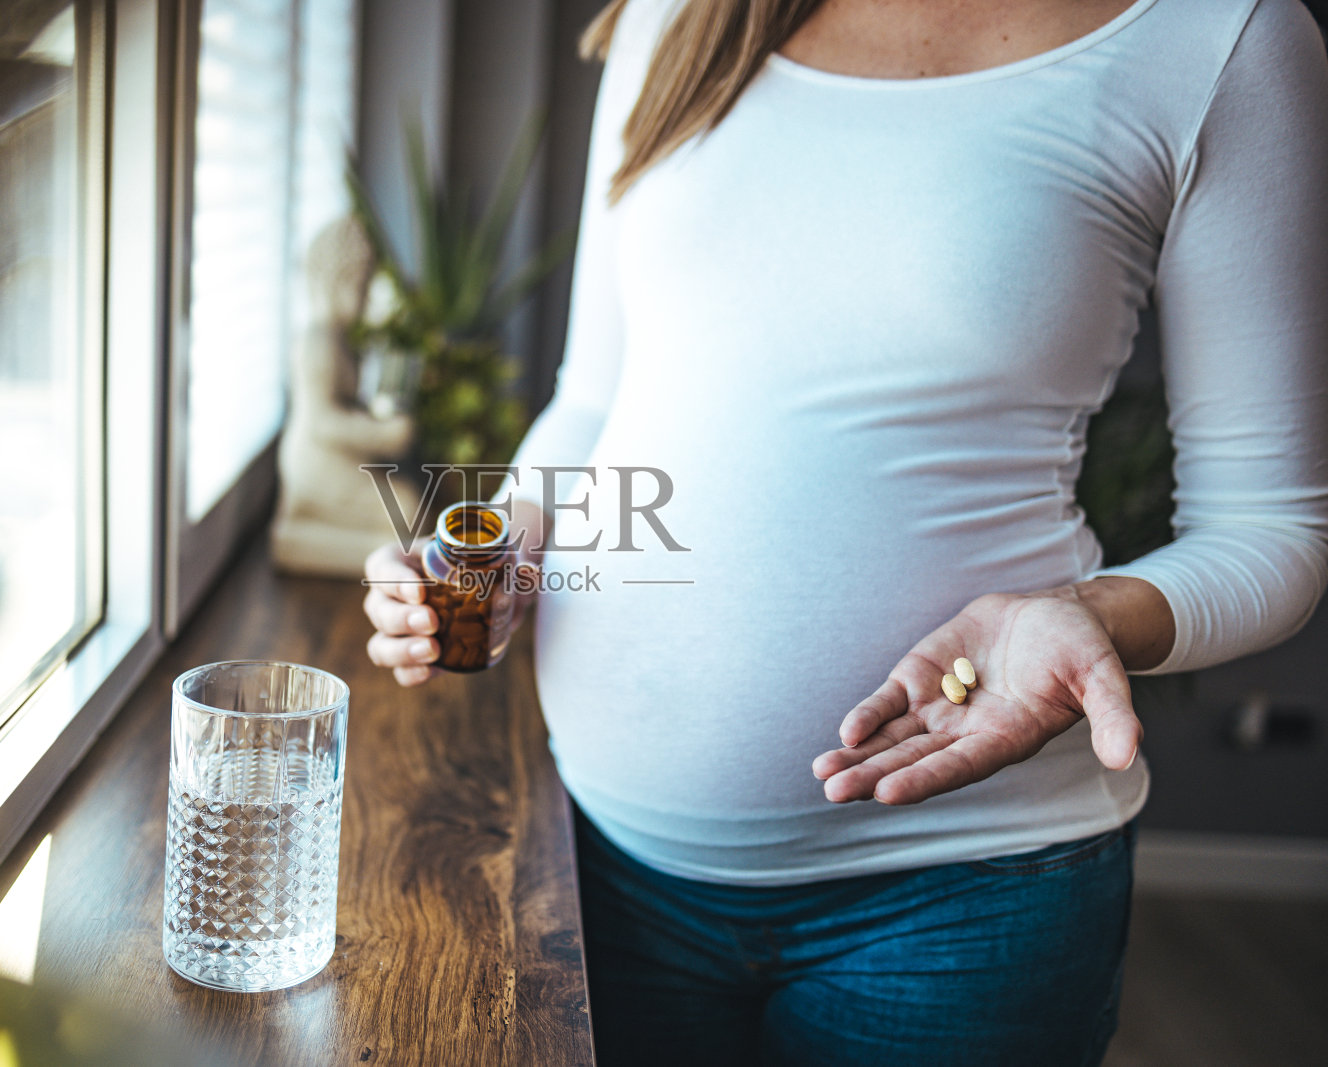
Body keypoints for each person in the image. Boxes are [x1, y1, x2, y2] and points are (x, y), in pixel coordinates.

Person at [362, 0, 1328, 1062]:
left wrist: (1083, 612)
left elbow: (1271, 529)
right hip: (594, 857)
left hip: (962, 902)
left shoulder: (1217, 43)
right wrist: (493, 551)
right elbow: (594, 399)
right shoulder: (682, 17)